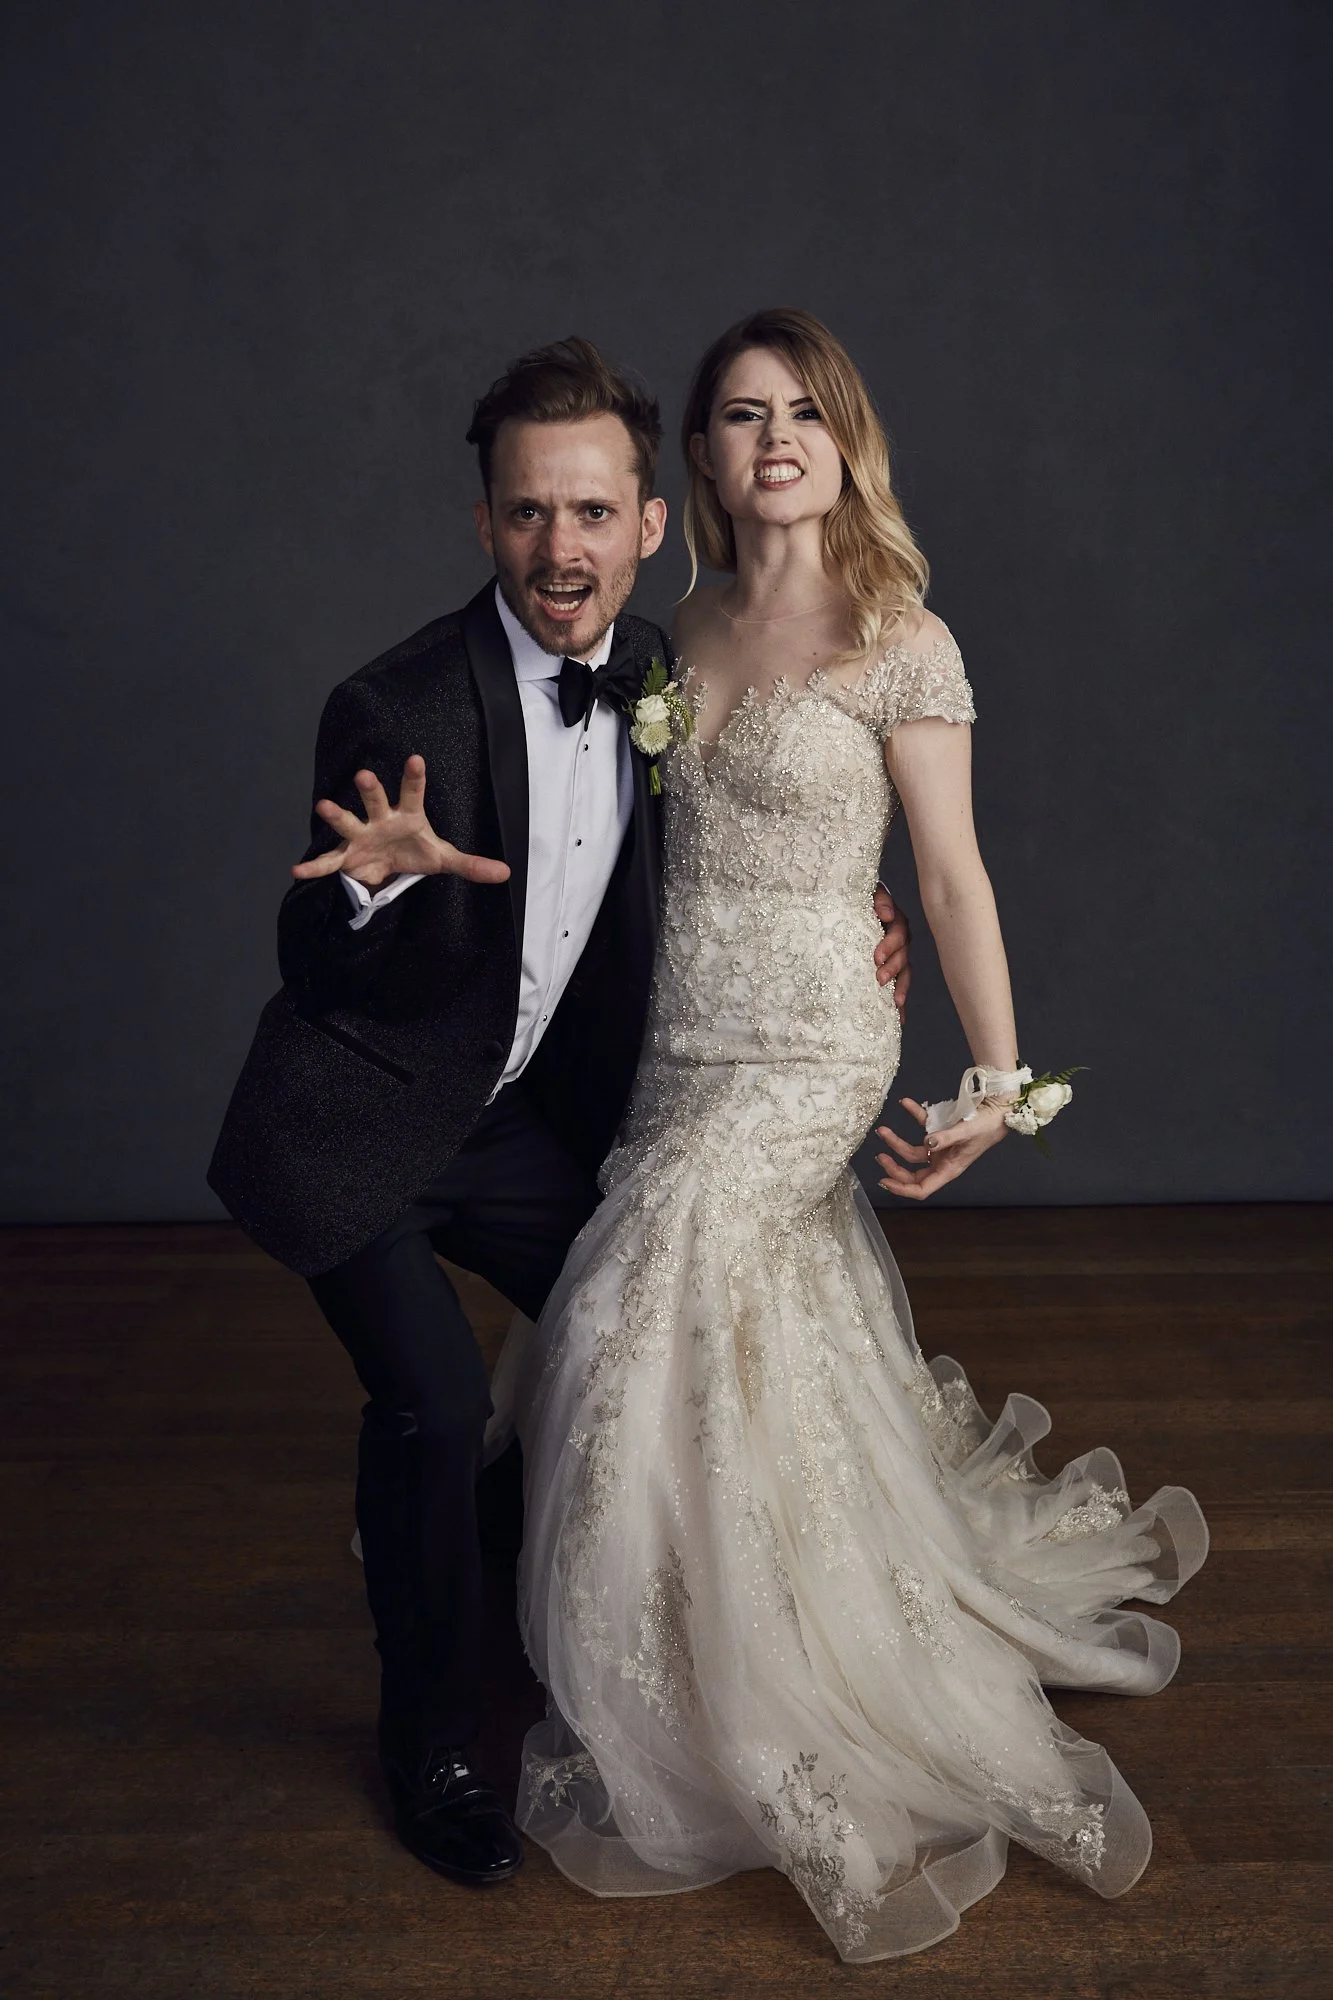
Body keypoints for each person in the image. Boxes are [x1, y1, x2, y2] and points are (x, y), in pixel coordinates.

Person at [507, 309, 1208, 1961]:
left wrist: (997, 1080)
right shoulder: (675, 631)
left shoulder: (905, 635)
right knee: (743, 1325)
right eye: (742, 415)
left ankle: (736, 1688)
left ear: (844, 443)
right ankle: (696, 1610)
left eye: (804, 412)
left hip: (821, 1028)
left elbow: (949, 877)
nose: (774, 438)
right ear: (699, 461)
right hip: (687, 1036)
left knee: (631, 1294)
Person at [206, 336, 914, 1889]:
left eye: (593, 514)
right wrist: (379, 895)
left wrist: (858, 914)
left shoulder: (664, 672)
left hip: (523, 1122)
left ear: (650, 524)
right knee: (438, 1407)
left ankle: (510, 1568)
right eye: (530, 514)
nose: (561, 548)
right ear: (484, 524)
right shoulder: (393, 701)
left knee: (641, 1326)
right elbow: (311, 957)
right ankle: (436, 1743)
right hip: (362, 1126)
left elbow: (751, 838)